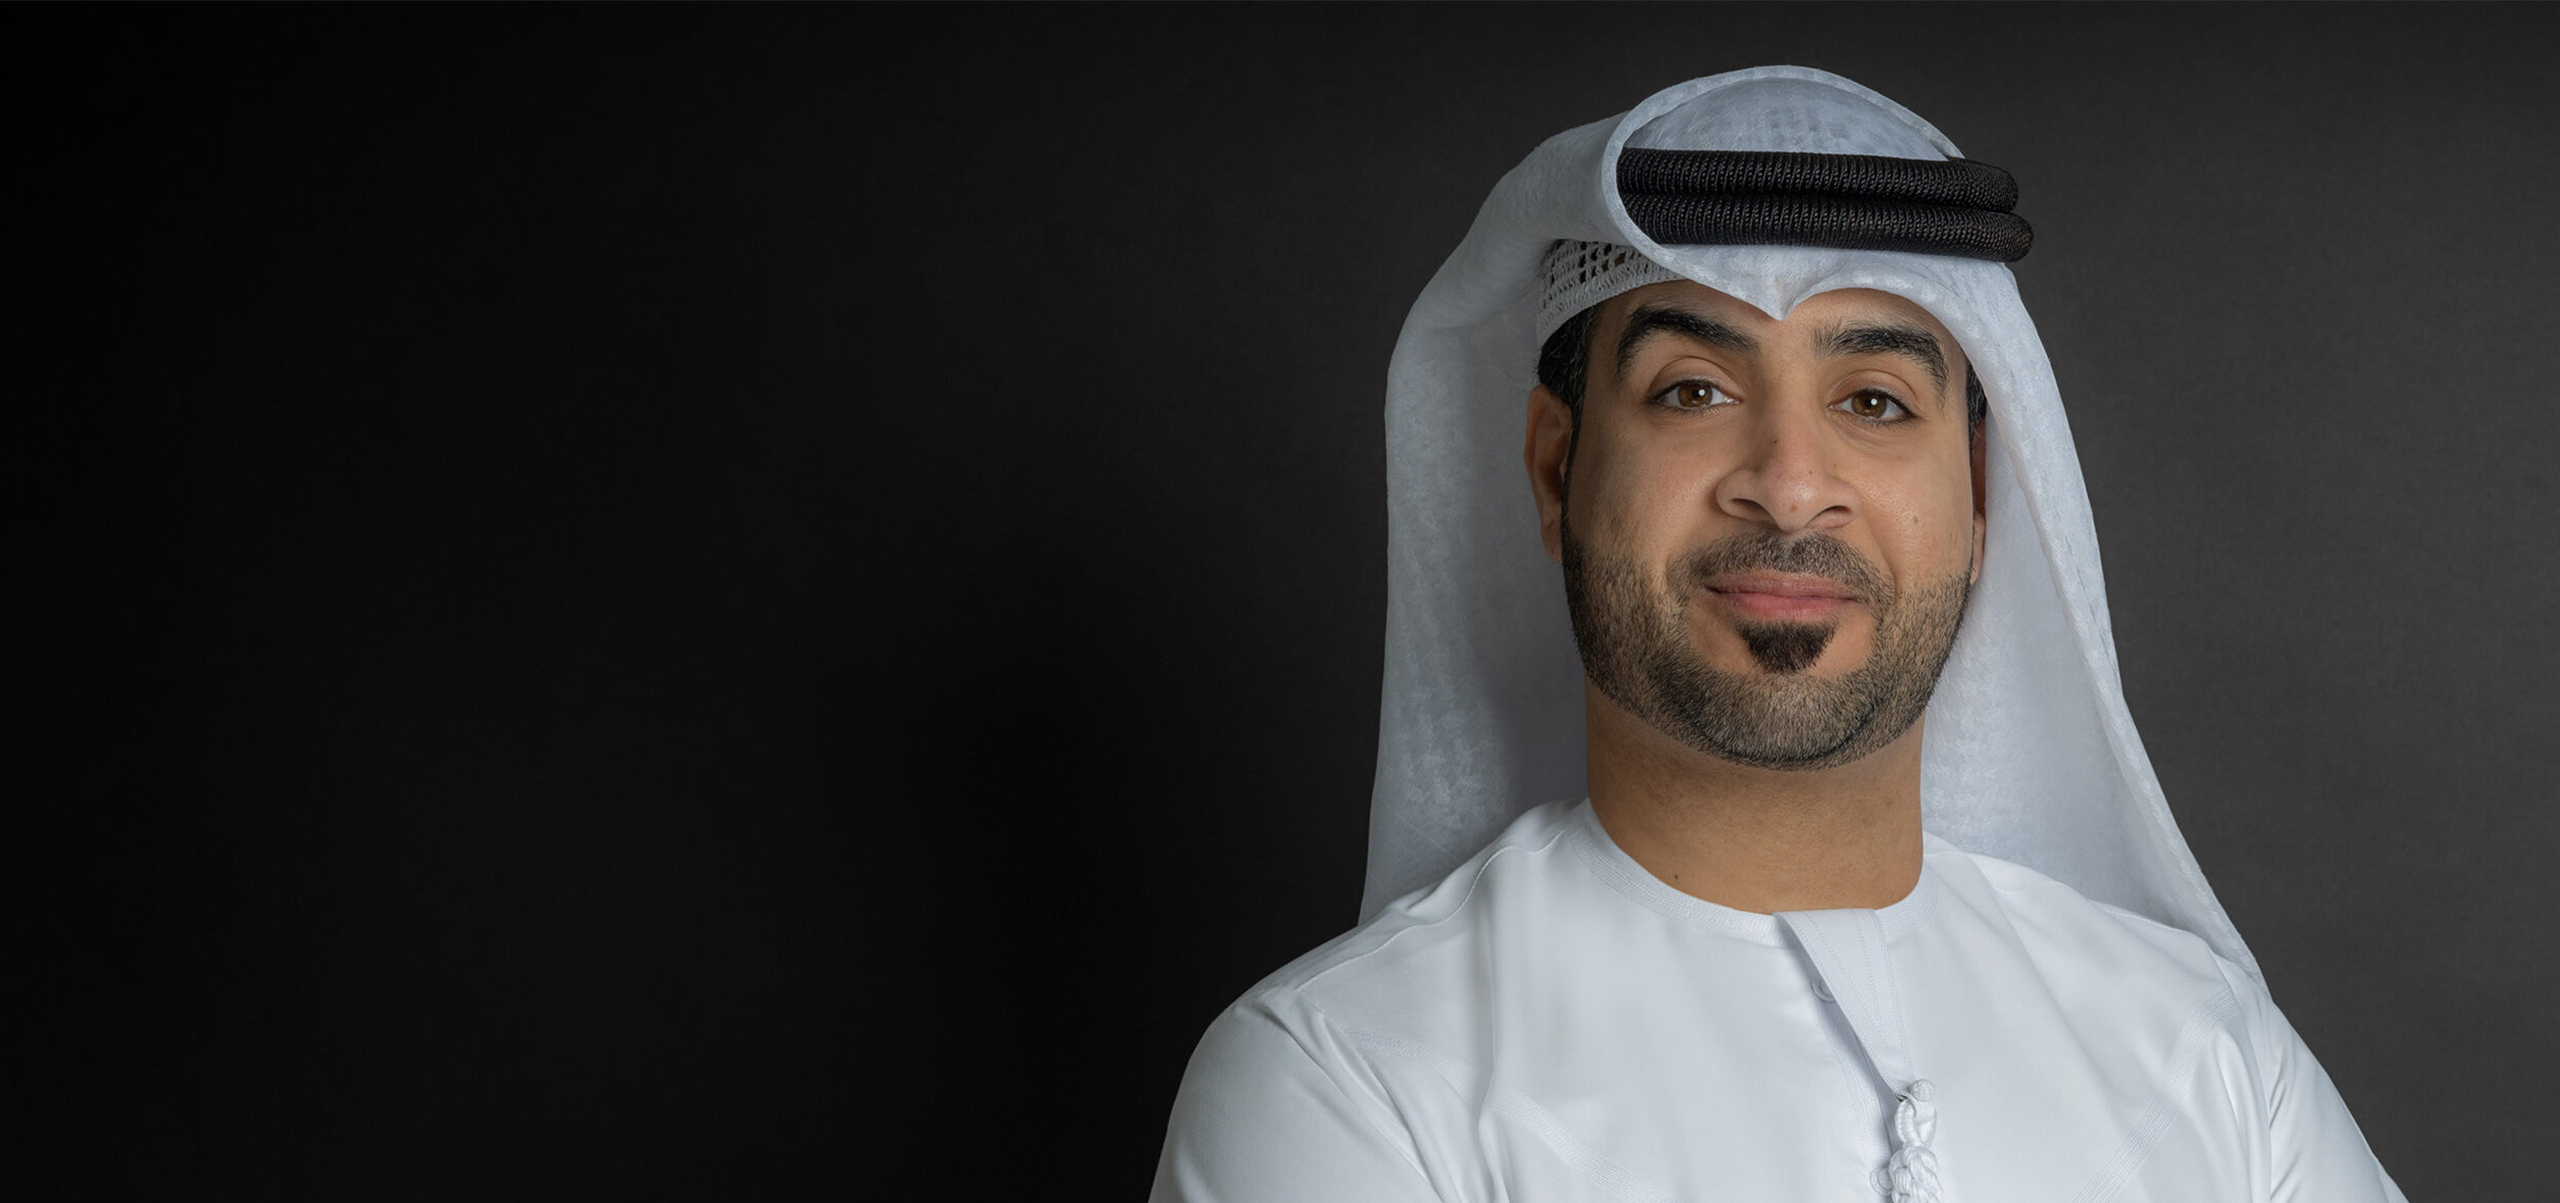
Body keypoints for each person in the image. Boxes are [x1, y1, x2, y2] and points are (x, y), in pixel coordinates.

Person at [1150, 67, 2404, 1203]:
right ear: (1555, 469)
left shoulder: (2208, 1055)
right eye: (1694, 391)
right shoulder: (1347, 1076)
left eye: (1875, 402)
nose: (1792, 487)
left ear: (1979, 498)